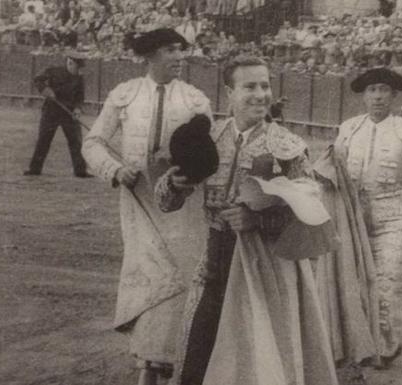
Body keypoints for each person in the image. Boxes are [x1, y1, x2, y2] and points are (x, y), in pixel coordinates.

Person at [155, 55, 338, 385]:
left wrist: (259, 221)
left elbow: (313, 210)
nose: (260, 94)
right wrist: (174, 184)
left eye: (265, 85)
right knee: (198, 348)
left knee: (256, 357)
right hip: (212, 260)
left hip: (262, 264)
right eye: (249, 86)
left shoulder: (287, 145)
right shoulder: (207, 137)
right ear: (230, 92)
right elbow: (166, 202)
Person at [81, 28, 212, 385]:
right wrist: (114, 169)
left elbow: (207, 157)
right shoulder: (124, 96)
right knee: (149, 277)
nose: (179, 57)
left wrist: (188, 177)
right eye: (171, 50)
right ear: (151, 55)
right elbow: (92, 144)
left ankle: (172, 368)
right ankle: (148, 366)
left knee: (180, 280)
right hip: (137, 201)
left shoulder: (195, 100)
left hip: (183, 206)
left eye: (181, 51)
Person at [333, 67, 402, 369]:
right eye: (372, 90)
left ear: (394, 95)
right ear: (364, 95)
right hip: (351, 219)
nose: (378, 96)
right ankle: (373, 343)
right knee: (352, 285)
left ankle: (382, 346)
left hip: (390, 218)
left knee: (382, 286)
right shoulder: (349, 129)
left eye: (384, 90)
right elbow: (331, 173)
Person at [23, 53, 92, 177]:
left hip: (69, 113)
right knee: (44, 140)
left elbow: (80, 97)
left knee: (76, 141)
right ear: (70, 62)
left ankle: (81, 171)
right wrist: (45, 89)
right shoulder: (53, 71)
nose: (79, 71)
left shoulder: (79, 78)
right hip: (51, 111)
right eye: (77, 67)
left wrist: (77, 109)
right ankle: (35, 169)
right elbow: (37, 79)